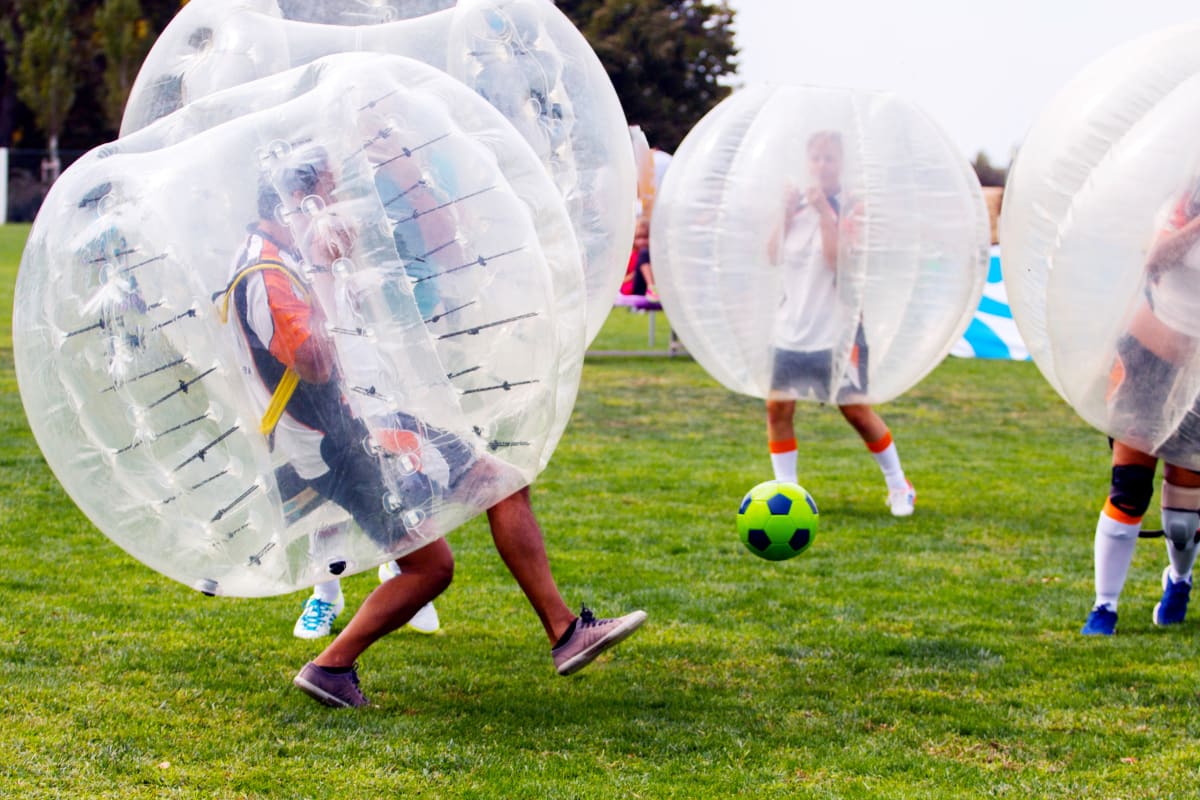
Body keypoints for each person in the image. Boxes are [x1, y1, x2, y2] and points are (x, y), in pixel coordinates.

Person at [229, 149, 646, 707]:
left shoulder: (277, 257)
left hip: (354, 426)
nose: (335, 206)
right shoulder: (268, 271)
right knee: (431, 567)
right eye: (326, 195)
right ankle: (330, 665)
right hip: (338, 445)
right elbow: (316, 361)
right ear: (296, 200)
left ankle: (565, 632)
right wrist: (328, 269)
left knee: (500, 482)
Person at [764, 130, 915, 516]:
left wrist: (825, 214)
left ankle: (899, 485)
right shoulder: (794, 208)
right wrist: (783, 214)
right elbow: (771, 256)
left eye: (829, 158)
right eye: (815, 158)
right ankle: (788, 492)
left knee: (856, 411)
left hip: (837, 331)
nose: (821, 165)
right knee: (777, 409)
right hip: (791, 328)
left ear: (841, 164)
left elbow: (839, 265)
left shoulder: (851, 209)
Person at [1081, 178, 1200, 635]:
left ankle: (1180, 580)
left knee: (1183, 520)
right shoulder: (1182, 202)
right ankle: (1104, 606)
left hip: (1197, 377)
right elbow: (1156, 259)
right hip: (1148, 358)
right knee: (1129, 487)